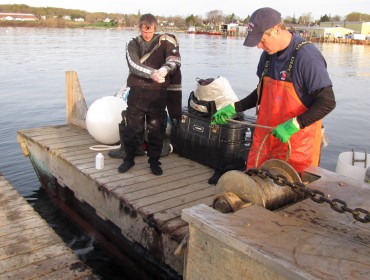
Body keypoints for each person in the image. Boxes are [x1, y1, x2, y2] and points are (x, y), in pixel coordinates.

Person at [212, 7, 336, 175]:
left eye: (261, 40)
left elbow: (327, 101)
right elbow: (262, 92)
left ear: (276, 30)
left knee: (292, 195)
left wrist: (295, 124)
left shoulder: (307, 56)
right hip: (266, 139)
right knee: (255, 185)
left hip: (296, 145)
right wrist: (236, 107)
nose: (258, 46)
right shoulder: (268, 56)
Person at [118, 13, 181, 175]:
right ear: (139, 29)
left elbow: (175, 60)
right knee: (133, 129)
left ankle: (154, 161)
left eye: (150, 31)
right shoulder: (132, 44)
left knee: (156, 130)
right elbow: (133, 65)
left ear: (155, 28)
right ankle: (128, 159)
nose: (147, 35)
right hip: (137, 94)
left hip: (157, 95)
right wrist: (153, 73)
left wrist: (165, 69)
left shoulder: (165, 42)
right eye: (144, 31)